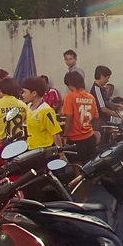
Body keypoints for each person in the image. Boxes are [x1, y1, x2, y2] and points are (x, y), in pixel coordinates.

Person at [61, 71, 98, 201]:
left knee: (78, 171)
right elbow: (94, 116)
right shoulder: (91, 97)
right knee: (88, 170)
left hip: (75, 139)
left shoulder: (70, 97)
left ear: (71, 84)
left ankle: (80, 200)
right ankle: (85, 196)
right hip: (89, 137)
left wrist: (65, 135)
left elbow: (69, 117)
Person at [21, 76, 63, 150]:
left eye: (24, 92)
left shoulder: (46, 111)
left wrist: (61, 153)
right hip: (31, 148)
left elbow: (55, 133)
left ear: (34, 93)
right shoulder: (28, 107)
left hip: (44, 150)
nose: (22, 95)